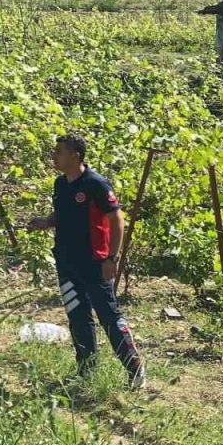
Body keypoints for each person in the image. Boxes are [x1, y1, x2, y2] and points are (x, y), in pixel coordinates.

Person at [28, 133, 145, 389]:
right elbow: (63, 214)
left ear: (75, 155)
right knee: (78, 317)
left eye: (59, 152)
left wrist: (112, 258)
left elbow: (117, 220)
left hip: (95, 263)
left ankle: (135, 370)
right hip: (67, 263)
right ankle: (86, 371)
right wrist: (46, 222)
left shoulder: (96, 184)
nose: (54, 156)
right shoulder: (61, 184)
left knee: (109, 316)